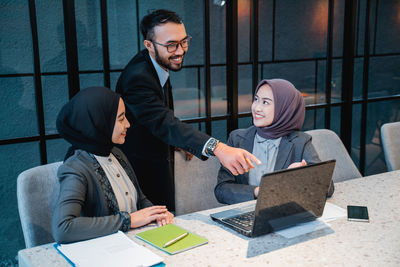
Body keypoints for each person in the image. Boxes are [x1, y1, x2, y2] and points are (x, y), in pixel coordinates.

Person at [116, 9, 260, 210]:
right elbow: (164, 122)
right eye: (171, 45)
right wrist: (219, 148)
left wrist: (177, 142)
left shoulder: (155, 64)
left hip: (155, 157)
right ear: (148, 45)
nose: (180, 50)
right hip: (140, 169)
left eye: (184, 41)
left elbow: (156, 118)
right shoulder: (138, 77)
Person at [52, 87, 174, 244]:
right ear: (100, 121)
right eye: (121, 118)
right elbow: (63, 228)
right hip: (104, 251)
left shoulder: (116, 152)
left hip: (135, 243)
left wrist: (158, 214)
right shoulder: (76, 168)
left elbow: (139, 199)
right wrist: (128, 220)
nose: (128, 124)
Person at [214, 79, 335, 204]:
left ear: (284, 109)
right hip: (244, 212)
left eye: (265, 102)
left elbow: (327, 187)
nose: (257, 108)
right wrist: (260, 191)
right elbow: (222, 190)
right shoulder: (237, 138)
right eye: (256, 99)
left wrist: (300, 177)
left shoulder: (300, 142)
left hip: (283, 212)